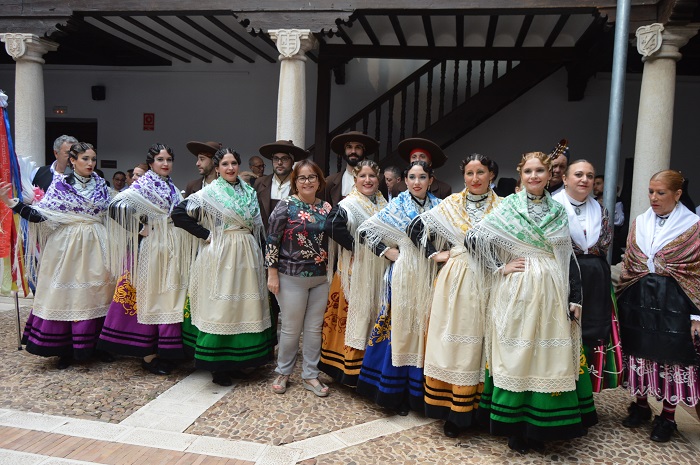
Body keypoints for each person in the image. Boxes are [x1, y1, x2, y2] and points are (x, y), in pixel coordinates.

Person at [468, 151, 596, 453]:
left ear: (550, 174)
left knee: (546, 357)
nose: (535, 176)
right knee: (518, 352)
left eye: (540, 171)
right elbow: (473, 240)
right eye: (528, 171)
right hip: (518, 293)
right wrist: (500, 267)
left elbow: (568, 258)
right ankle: (515, 427)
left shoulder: (558, 210)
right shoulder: (507, 207)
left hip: (553, 292)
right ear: (520, 174)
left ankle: (542, 427)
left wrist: (575, 296)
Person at [408, 153, 501, 437]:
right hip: (457, 277)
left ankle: (483, 411)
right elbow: (416, 228)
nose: (475, 179)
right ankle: (454, 412)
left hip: (492, 278)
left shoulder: (503, 206)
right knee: (455, 341)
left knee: (486, 342)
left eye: (480, 172)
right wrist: (435, 253)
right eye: (470, 173)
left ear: (491, 175)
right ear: (463, 176)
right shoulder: (451, 204)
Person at [1, 142, 115, 369]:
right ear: (72, 160)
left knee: (98, 293)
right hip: (67, 248)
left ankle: (97, 346)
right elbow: (41, 215)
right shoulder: (61, 186)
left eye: (93, 159)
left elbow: (115, 211)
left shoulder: (102, 185)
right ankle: (66, 348)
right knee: (68, 295)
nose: (90, 163)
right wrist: (12, 204)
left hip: (98, 244)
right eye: (85, 159)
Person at [172, 148, 275, 387]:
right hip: (221, 252)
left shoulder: (249, 191)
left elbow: (258, 227)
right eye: (225, 164)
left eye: (234, 163)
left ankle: (239, 360)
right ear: (217, 169)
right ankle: (218, 366)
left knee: (243, 305)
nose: (230, 168)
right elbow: (179, 213)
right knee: (222, 304)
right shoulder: (210, 192)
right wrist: (206, 234)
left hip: (247, 251)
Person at [617, 170, 700, 443]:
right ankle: (640, 406)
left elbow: (696, 273)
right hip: (639, 296)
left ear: (677, 194)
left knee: (671, 359)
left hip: (675, 301)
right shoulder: (640, 221)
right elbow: (631, 261)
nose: (653, 197)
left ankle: (667, 417)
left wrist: (696, 315)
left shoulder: (693, 226)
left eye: (661, 192)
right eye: (651, 191)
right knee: (640, 352)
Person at [355, 161, 441, 415]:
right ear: (405, 180)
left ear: (430, 180)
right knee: (400, 328)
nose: (417, 182)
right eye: (412, 177)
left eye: (422, 177)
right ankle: (394, 393)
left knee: (422, 328)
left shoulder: (439, 206)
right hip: (404, 271)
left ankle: (418, 394)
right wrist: (386, 251)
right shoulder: (397, 205)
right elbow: (365, 231)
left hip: (429, 271)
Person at [99, 143, 192, 376]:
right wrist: (140, 228)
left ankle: (166, 350)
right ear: (151, 163)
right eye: (160, 159)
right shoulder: (143, 184)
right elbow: (115, 206)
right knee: (151, 295)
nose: (165, 164)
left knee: (169, 295)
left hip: (171, 245)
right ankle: (147, 354)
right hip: (153, 248)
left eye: (169, 159)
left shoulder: (170, 185)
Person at [553, 161, 623, 393]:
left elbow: (602, 246)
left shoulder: (600, 210)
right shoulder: (552, 207)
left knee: (590, 339)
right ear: (565, 179)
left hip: (595, 281)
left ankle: (584, 391)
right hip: (562, 278)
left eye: (590, 176)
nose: (585, 180)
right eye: (579, 174)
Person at [265, 160, 332, 397]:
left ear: (319, 181)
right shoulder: (286, 206)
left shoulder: (325, 208)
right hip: (290, 276)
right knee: (291, 329)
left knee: (314, 329)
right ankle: (283, 372)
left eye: (312, 177)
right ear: (295, 182)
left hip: (319, 278)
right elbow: (271, 240)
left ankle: (310, 375)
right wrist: (272, 273)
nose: (307, 182)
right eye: (302, 178)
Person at [319, 160, 388, 387]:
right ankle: (345, 369)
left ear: (378, 180)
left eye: (372, 176)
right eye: (363, 176)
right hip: (354, 270)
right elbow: (331, 226)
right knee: (351, 319)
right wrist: (355, 246)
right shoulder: (348, 204)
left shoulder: (383, 203)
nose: (368, 180)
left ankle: (367, 370)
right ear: (355, 180)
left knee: (371, 316)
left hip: (378, 270)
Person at [253, 140, 309, 232]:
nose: (279, 163)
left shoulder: (302, 184)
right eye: (275, 158)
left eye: (284, 159)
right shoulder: (260, 183)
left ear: (292, 161)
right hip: (264, 239)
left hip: (292, 240)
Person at [323, 131, 379, 206]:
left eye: (358, 147)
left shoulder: (379, 179)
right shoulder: (330, 182)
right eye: (349, 147)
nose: (353, 151)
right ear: (344, 150)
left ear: (364, 150)